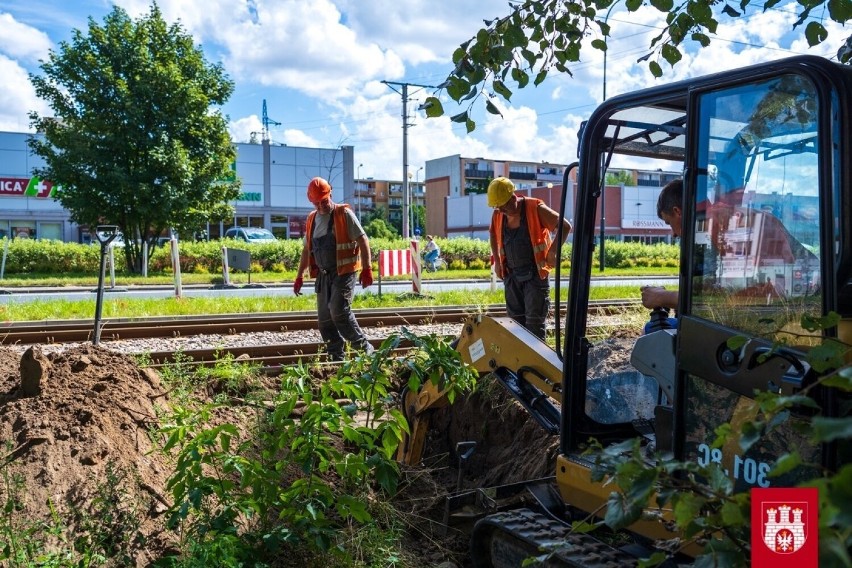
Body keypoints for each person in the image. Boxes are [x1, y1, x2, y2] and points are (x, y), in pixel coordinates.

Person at [294, 177, 374, 360]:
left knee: (338, 310)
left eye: (323, 201)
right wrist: (299, 277)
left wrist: (367, 268)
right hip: (324, 275)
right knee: (324, 320)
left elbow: (363, 239)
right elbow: (306, 251)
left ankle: (365, 350)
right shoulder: (311, 219)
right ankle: (336, 357)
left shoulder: (343, 214)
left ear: (330, 194)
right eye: (316, 203)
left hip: (344, 272)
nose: (321, 206)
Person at [488, 177, 572, 340]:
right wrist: (497, 262)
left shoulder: (535, 208)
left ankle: (538, 363)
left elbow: (565, 226)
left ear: (513, 198)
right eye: (498, 208)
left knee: (534, 326)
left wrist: (553, 251)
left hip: (534, 277)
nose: (501, 211)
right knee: (516, 326)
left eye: (504, 206)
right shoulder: (498, 213)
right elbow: (492, 233)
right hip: (512, 276)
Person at [640, 179, 682, 312]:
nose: (674, 234)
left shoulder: (713, 239)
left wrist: (662, 297)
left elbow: (711, 299)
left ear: (677, 212)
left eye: (669, 222)